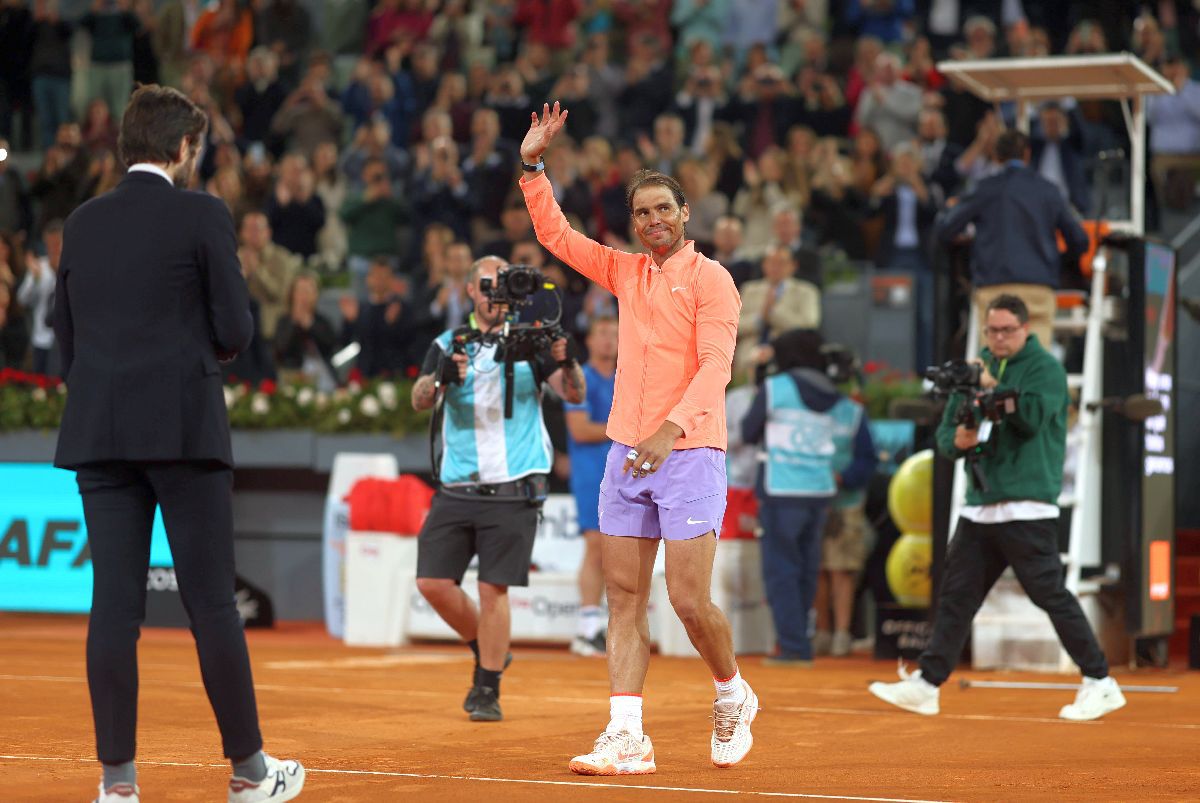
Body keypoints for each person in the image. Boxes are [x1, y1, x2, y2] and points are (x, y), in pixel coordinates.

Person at [51, 84, 304, 803]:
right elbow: (235, 330)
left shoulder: (83, 221)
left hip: (100, 431)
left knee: (114, 607)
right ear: (182, 148)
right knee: (211, 603)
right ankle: (251, 773)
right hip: (184, 428)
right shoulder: (202, 211)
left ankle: (117, 785)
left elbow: (64, 336)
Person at [520, 102, 756, 775]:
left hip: (691, 450)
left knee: (687, 601)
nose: (652, 220)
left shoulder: (713, 278)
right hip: (628, 453)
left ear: (685, 215)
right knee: (623, 597)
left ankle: (732, 690)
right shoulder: (626, 272)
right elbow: (559, 238)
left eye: (663, 209)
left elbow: (718, 367)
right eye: (641, 212)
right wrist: (532, 167)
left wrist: (668, 430)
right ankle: (629, 733)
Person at [868, 294, 1126, 721]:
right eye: (992, 330)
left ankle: (1101, 681)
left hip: (1027, 507)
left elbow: (1029, 421)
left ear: (1026, 329)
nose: (999, 338)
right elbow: (946, 437)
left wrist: (990, 389)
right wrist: (959, 440)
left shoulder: (1045, 370)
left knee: (1050, 595)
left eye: (1007, 330)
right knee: (956, 597)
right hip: (981, 507)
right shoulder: (976, 369)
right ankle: (928, 685)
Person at [410, 254, 585, 723]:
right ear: (469, 291)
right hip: (457, 486)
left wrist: (568, 362)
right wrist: (440, 377)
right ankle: (488, 647)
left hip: (513, 487)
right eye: (485, 285)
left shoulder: (531, 343)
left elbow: (574, 393)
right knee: (431, 583)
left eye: (501, 284)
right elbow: (419, 398)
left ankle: (486, 688)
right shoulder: (448, 343)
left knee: (493, 591)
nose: (494, 294)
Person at [740, 329, 874, 664]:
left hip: (781, 489)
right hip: (820, 492)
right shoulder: (835, 397)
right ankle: (801, 642)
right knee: (805, 570)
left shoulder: (775, 389)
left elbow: (747, 432)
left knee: (781, 571)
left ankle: (793, 647)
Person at [935, 130, 1089, 346]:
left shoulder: (984, 188)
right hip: (1036, 287)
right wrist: (1058, 260)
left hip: (994, 286)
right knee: (1035, 365)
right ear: (1027, 154)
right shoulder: (1048, 190)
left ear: (996, 156)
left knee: (996, 367)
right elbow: (1079, 240)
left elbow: (945, 229)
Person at [563, 315, 618, 658]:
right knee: (596, 545)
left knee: (618, 550)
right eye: (602, 333)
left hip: (624, 472)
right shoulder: (577, 377)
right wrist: (629, 430)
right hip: (589, 473)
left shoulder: (629, 376)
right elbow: (580, 430)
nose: (609, 340)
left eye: (615, 333)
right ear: (590, 340)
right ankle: (586, 628)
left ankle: (605, 626)